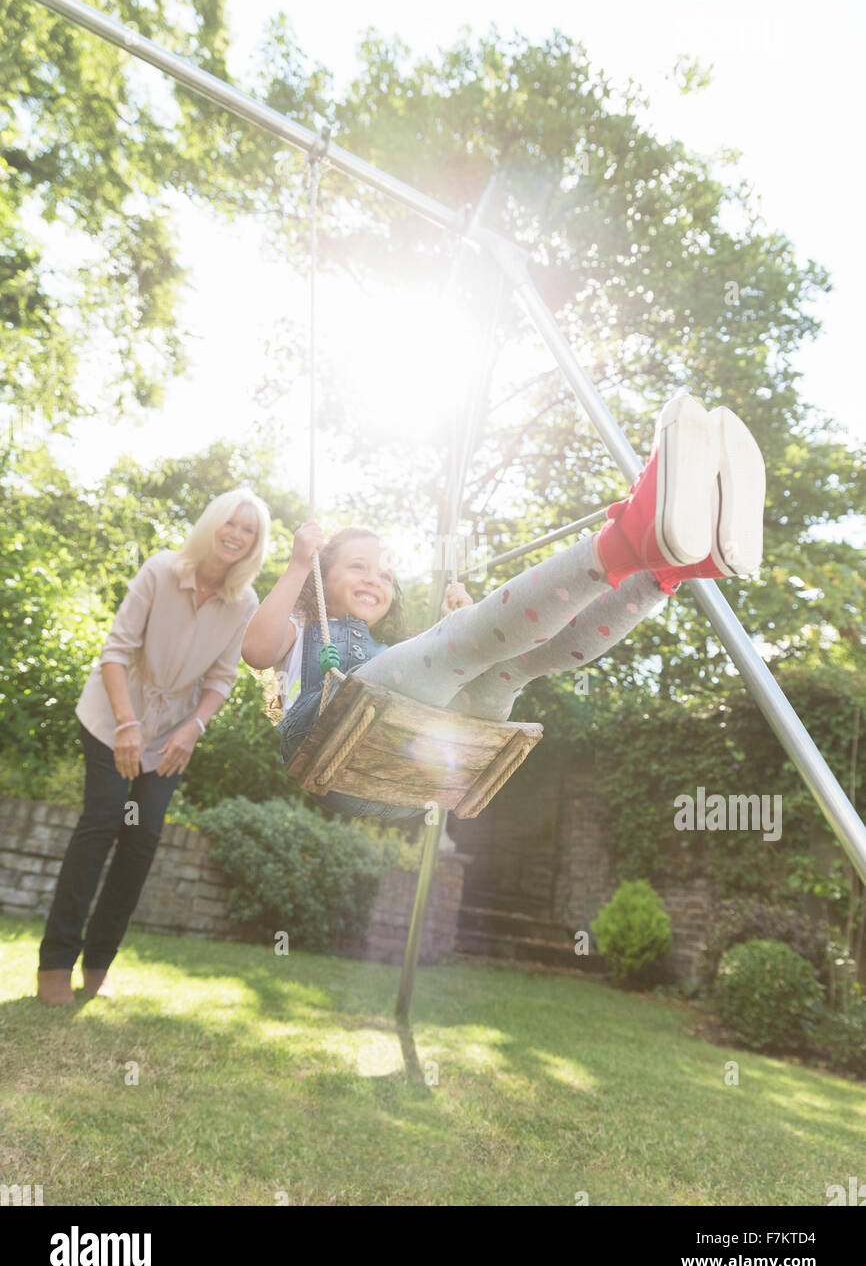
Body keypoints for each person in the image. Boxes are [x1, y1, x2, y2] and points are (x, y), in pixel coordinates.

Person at [243, 393, 765, 822]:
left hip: (410, 767)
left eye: (385, 574)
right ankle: (632, 537)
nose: (375, 580)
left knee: (513, 663)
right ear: (322, 575)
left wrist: (462, 620)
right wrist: (296, 565)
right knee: (460, 642)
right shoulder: (304, 625)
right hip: (333, 746)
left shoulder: (390, 656)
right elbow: (256, 649)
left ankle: (662, 573)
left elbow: (449, 662)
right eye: (357, 567)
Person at [36, 488, 270, 1006]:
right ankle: (55, 964)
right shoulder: (161, 571)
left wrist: (195, 728)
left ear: (255, 544)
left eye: (248, 530)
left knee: (139, 841)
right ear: (212, 523)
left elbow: (222, 678)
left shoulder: (245, 602)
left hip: (170, 738)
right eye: (230, 523)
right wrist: (126, 725)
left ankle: (97, 966)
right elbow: (114, 653)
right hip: (110, 719)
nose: (235, 535)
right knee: (100, 825)